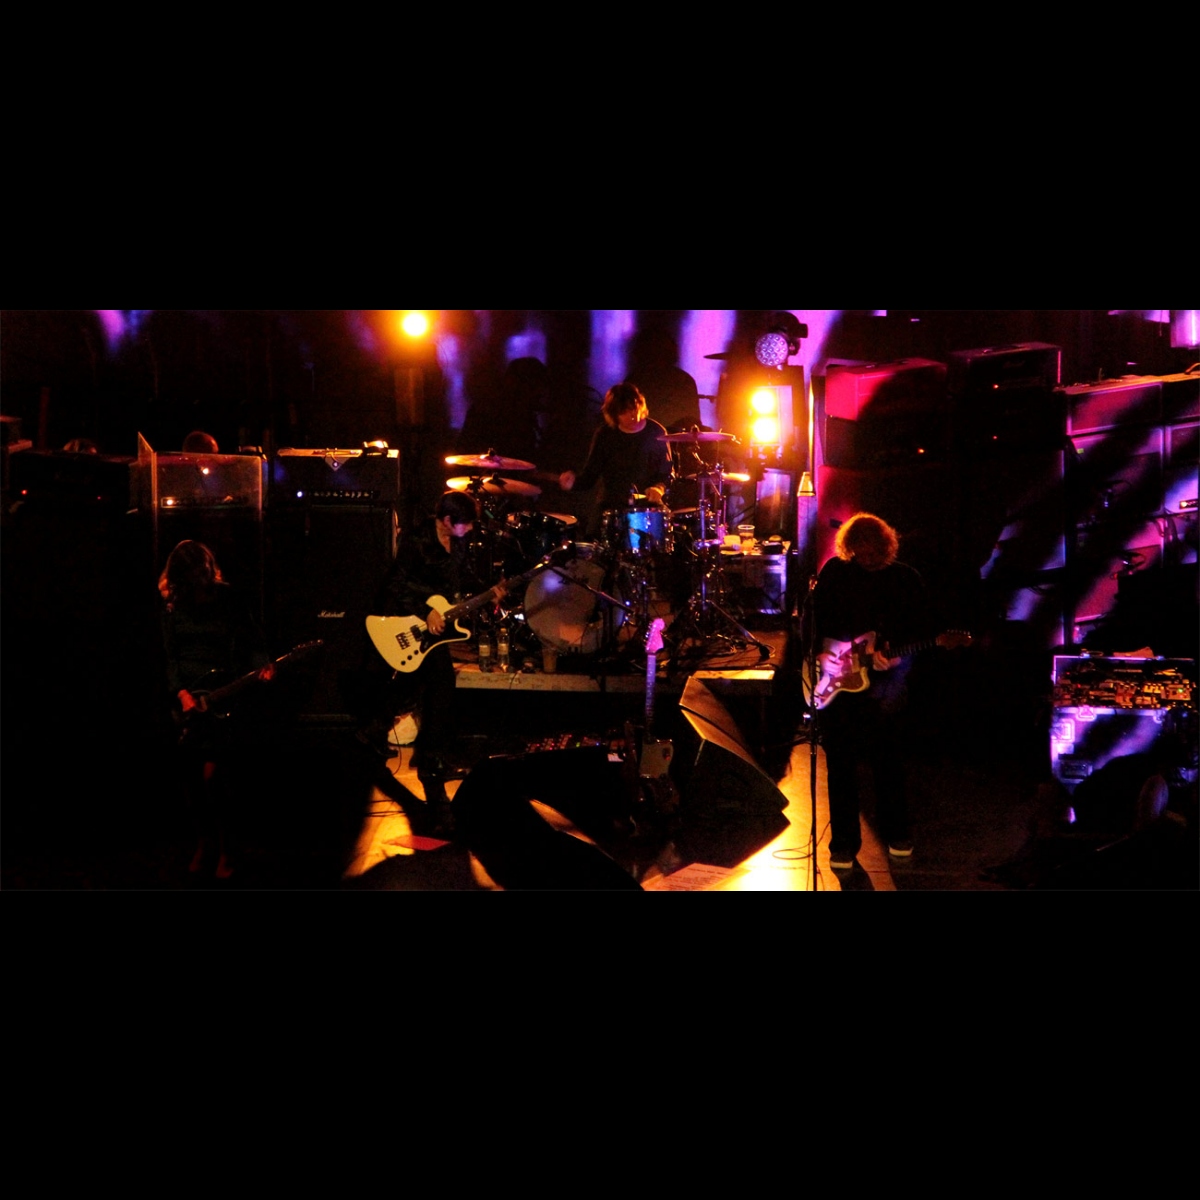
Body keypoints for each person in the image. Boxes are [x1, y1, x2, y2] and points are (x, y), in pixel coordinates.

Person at [361, 490, 502, 814]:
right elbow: (396, 585)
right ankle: (429, 760)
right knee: (439, 685)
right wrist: (426, 612)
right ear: (447, 520)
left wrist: (488, 592)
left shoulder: (459, 543)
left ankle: (376, 730)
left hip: (433, 628)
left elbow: (460, 579)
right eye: (466, 524)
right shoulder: (417, 541)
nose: (470, 529)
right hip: (409, 621)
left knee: (421, 684)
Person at [811, 513, 932, 870]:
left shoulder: (906, 579)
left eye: (872, 554)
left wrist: (897, 658)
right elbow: (814, 618)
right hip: (839, 682)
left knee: (888, 763)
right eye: (859, 553)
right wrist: (819, 652)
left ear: (885, 548)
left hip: (885, 685)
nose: (865, 559)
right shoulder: (835, 573)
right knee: (840, 766)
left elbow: (922, 630)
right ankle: (843, 844)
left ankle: (897, 834)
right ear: (849, 548)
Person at [159, 539, 274, 879]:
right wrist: (181, 693)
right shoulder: (173, 606)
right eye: (197, 573)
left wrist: (263, 665)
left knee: (215, 776)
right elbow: (170, 657)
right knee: (191, 778)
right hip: (188, 701)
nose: (205, 577)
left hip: (223, 696)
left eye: (207, 570)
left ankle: (227, 849)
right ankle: (204, 842)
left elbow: (253, 640)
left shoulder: (229, 599)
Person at [559, 382, 672, 539]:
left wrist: (658, 488)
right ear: (614, 415)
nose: (632, 416)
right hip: (610, 506)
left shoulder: (656, 432)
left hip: (647, 507)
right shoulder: (605, 435)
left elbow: (667, 472)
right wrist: (573, 483)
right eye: (624, 412)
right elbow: (590, 475)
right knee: (591, 540)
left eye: (634, 409)